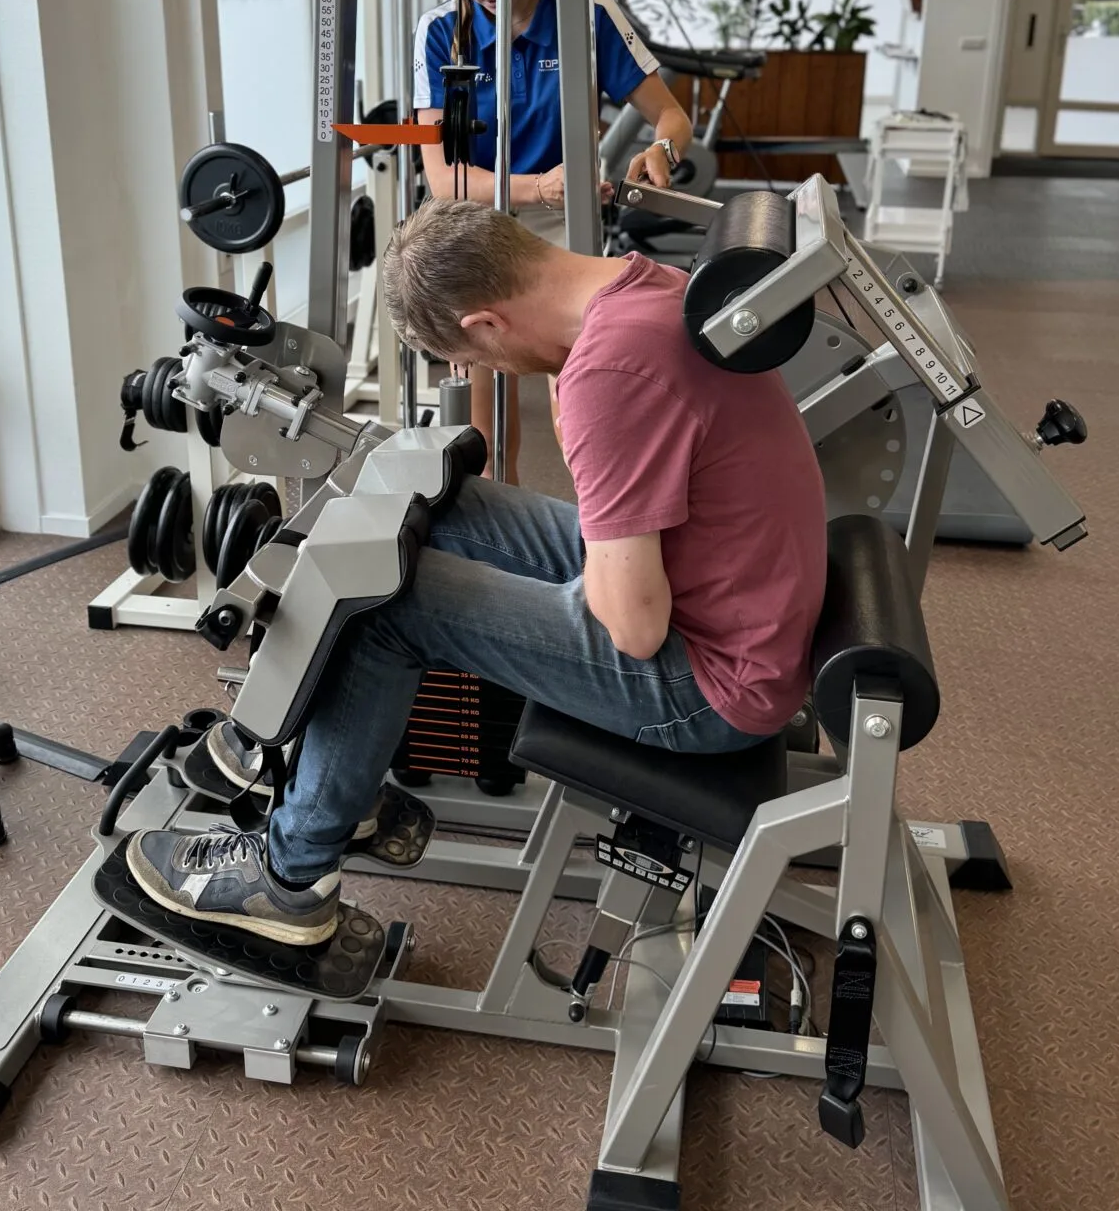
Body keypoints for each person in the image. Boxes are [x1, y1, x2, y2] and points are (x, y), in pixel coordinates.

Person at [126, 200, 829, 951]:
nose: (491, 373)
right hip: (727, 602)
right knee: (436, 506)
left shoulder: (606, 372)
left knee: (387, 601)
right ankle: (335, 777)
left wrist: (577, 541)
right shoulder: (643, 286)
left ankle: (288, 879)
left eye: (476, 360)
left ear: (486, 323)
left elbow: (635, 627)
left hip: (711, 687)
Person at [412, 0, 693, 474]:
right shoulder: (444, 33)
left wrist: (662, 152)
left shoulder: (586, 15)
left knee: (583, 424)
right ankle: (504, 529)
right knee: (486, 440)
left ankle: (602, 532)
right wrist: (538, 186)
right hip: (480, 224)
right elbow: (446, 177)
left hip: (566, 227)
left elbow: (672, 117)